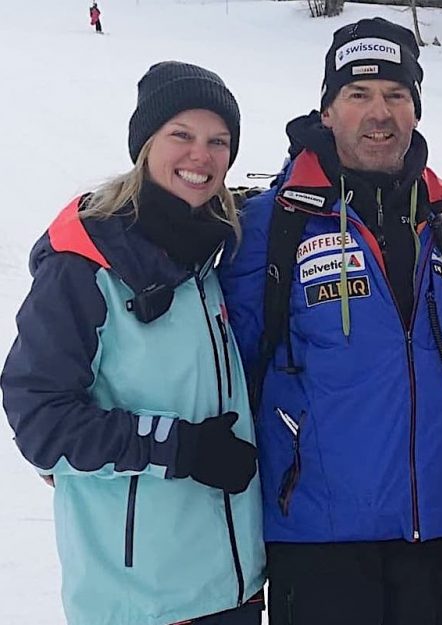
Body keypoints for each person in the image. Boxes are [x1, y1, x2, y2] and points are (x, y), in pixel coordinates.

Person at [218, 17, 442, 625]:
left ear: (416, 110)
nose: (379, 113)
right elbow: (215, 360)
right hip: (318, 544)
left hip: (437, 538)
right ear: (328, 109)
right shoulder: (271, 225)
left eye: (396, 95)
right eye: (358, 95)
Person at [1, 61, 265, 625]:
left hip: (232, 589)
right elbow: (40, 418)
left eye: (219, 141)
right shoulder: (85, 265)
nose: (203, 156)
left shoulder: (208, 255)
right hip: (140, 602)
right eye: (182, 135)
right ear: (145, 144)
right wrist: (177, 447)